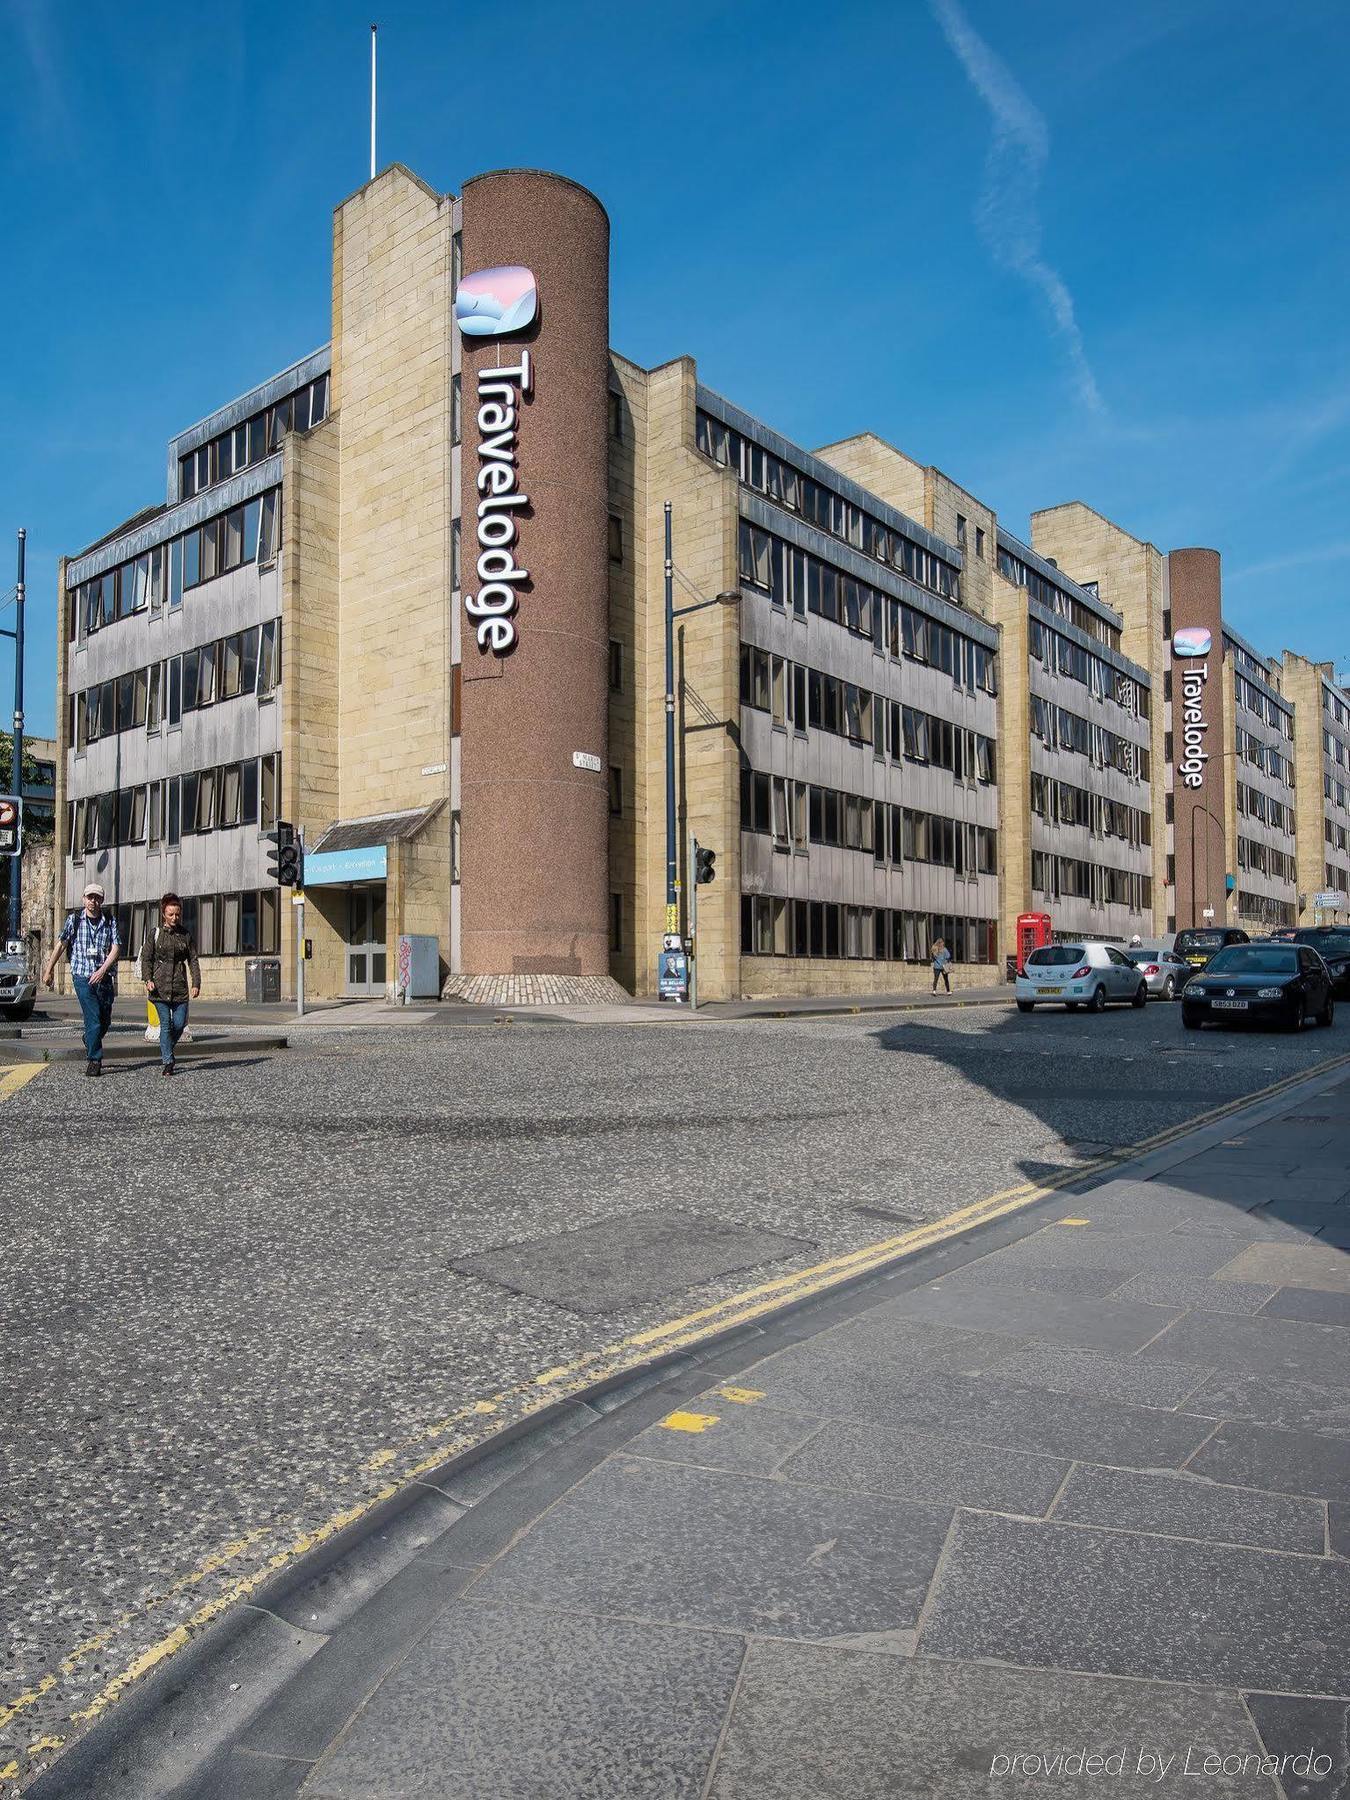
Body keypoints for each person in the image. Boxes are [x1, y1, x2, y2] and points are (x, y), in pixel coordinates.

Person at [44, 881, 121, 1075]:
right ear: (84, 899)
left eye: (96, 898)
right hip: (82, 976)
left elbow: (116, 947)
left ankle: (89, 1039)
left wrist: (103, 970)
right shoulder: (74, 920)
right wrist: (49, 969)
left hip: (103, 977)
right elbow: (61, 945)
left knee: (105, 1021)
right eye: (89, 897)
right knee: (93, 1017)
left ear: (102, 900)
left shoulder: (110, 921)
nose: (93, 901)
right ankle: (94, 1060)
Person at [140, 892, 201, 1076]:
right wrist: (148, 979)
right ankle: (168, 1061)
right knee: (166, 1025)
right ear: (163, 914)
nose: (174, 918)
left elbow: (193, 960)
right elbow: (146, 958)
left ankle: (167, 1047)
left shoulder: (185, 935)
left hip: (180, 988)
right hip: (159, 988)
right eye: (170, 914)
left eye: (177, 914)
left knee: (179, 1024)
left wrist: (196, 982)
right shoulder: (155, 933)